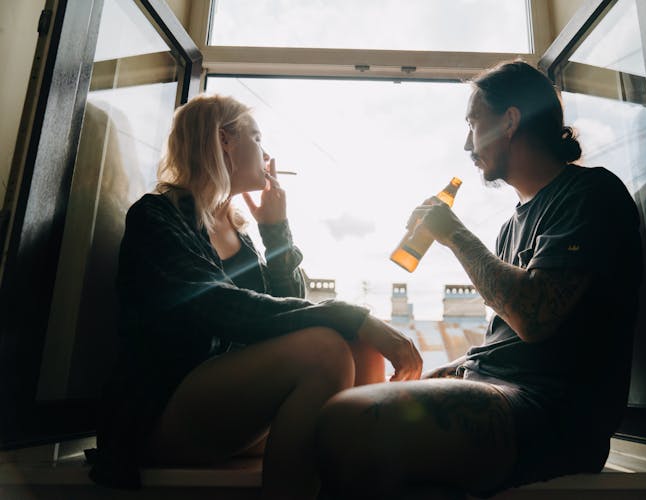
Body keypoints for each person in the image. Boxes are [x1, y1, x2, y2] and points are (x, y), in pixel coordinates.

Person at [315, 60, 643, 498]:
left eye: (473, 123)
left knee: (348, 418)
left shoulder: (591, 194)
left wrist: (453, 233)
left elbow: (533, 316)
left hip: (554, 416)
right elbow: (505, 341)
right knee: (359, 385)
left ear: (509, 121)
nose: (468, 143)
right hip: (500, 391)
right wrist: (448, 371)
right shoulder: (511, 227)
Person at [88, 94, 423, 499]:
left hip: (219, 407)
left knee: (360, 348)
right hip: (157, 415)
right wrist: (353, 314)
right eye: (258, 138)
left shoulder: (235, 234)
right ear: (224, 140)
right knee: (325, 349)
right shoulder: (156, 217)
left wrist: (276, 231)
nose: (268, 153)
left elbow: (279, 317)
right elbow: (227, 309)